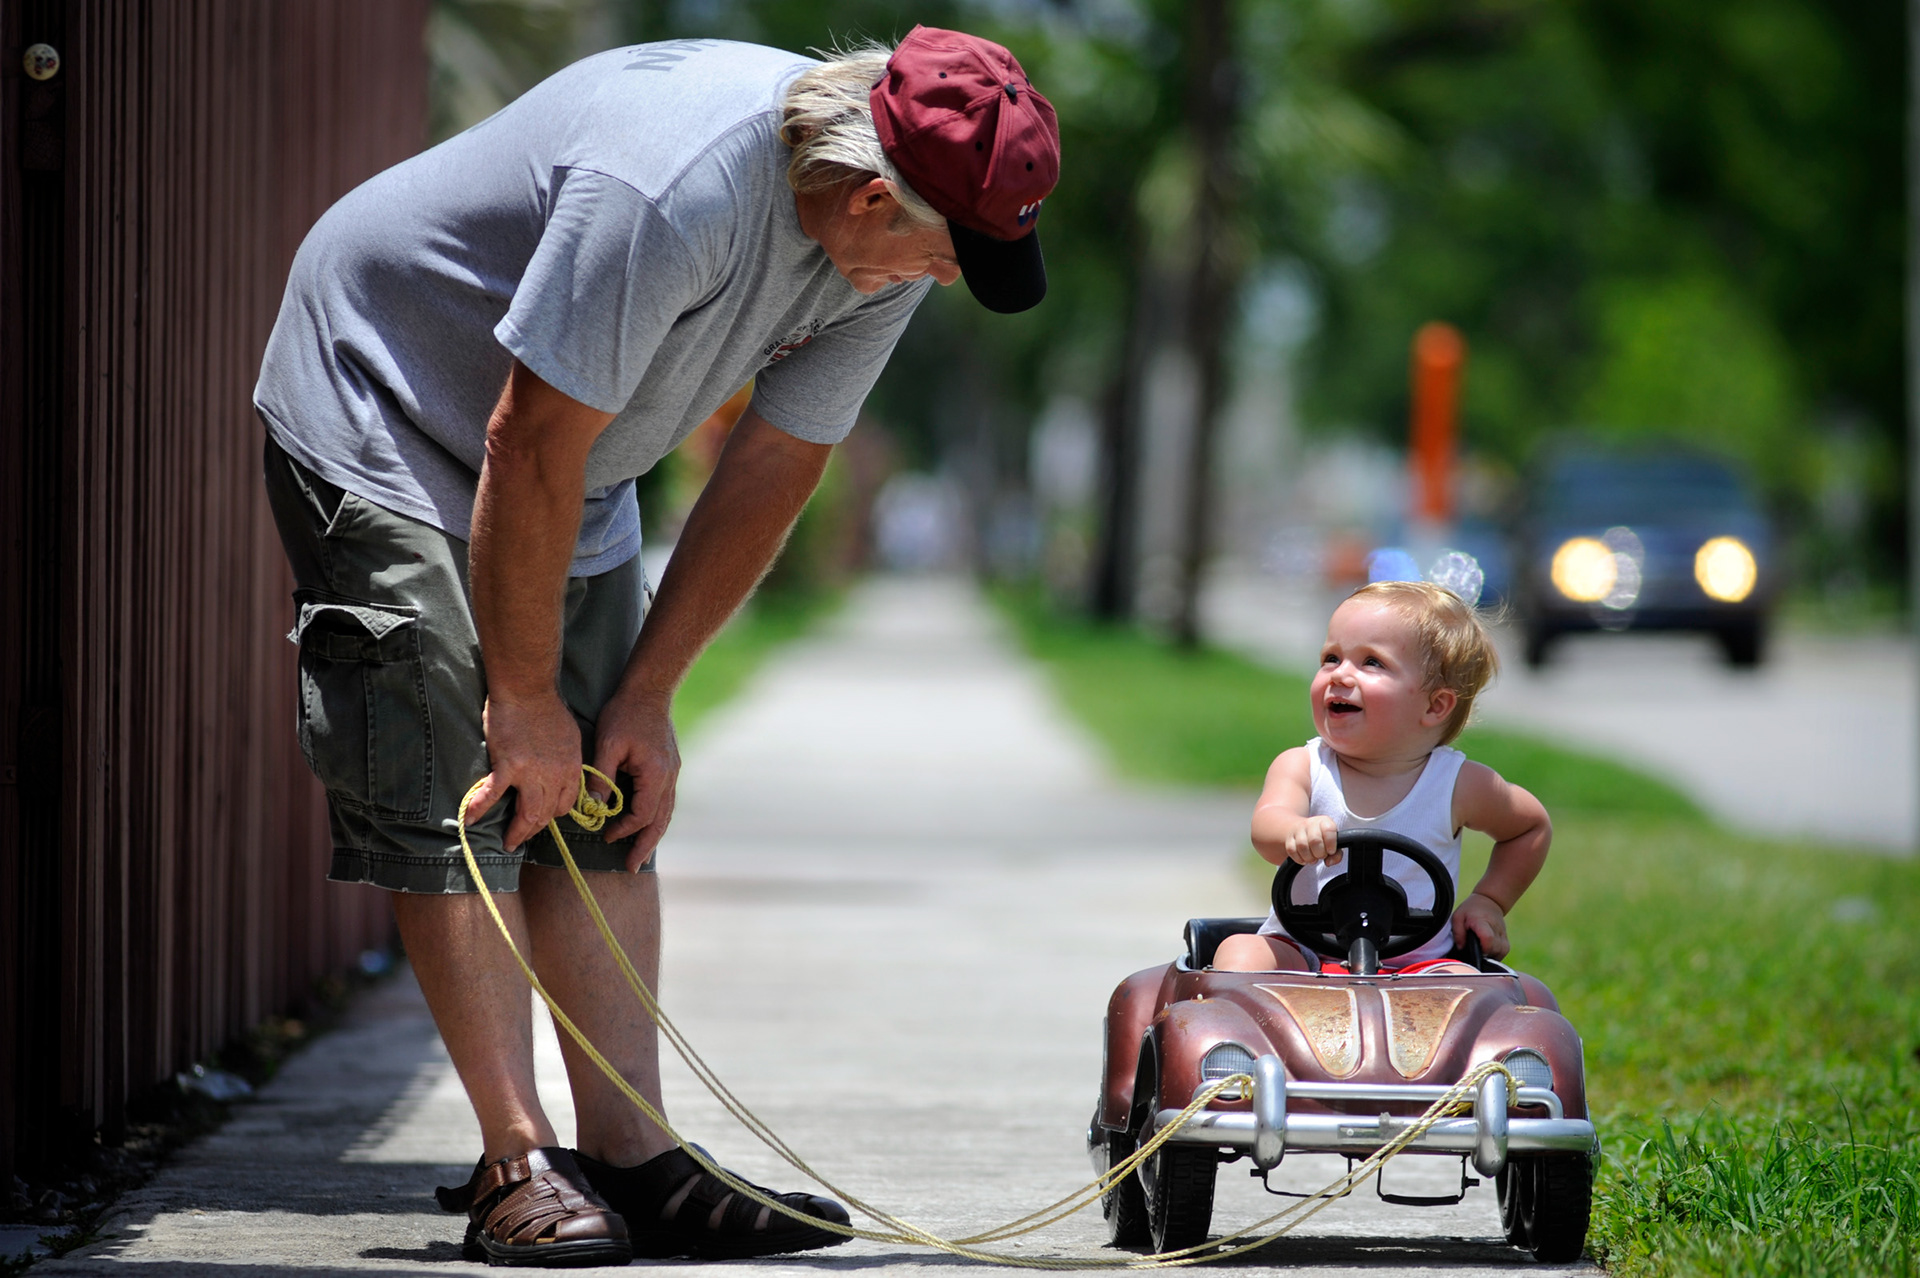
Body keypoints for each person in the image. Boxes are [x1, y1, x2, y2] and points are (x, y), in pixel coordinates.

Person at [254, 28, 1058, 1268]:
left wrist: (648, 694)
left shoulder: (881, 257)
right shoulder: (673, 190)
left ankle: (632, 1155)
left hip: (577, 456)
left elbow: (779, 460)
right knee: (451, 777)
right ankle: (516, 1163)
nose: (943, 280)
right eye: (947, 255)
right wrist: (521, 697)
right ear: (867, 197)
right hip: (395, 404)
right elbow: (527, 440)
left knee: (605, 792)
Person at [1213, 581, 1551, 975]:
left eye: (1371, 662)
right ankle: (1240, 1039)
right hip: (1302, 956)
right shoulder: (1303, 766)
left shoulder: (1456, 784)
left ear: (1434, 705)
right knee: (1240, 953)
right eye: (1331, 658)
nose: (1340, 675)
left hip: (1417, 966)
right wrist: (1293, 830)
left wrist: (1490, 900)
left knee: (1466, 983)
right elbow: (1266, 828)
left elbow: (1529, 827)